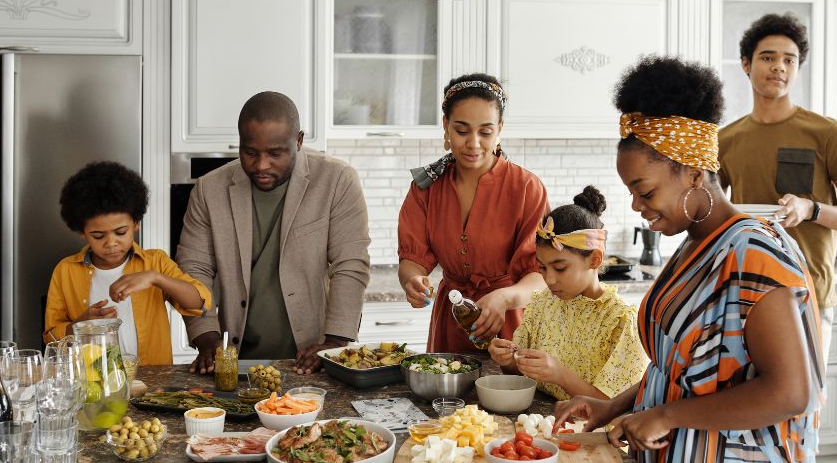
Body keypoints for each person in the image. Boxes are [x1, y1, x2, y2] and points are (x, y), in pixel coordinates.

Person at [555, 56, 825, 463]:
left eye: (644, 190)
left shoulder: (754, 253)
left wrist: (666, 416)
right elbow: (679, 370)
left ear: (695, 174)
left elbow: (791, 393)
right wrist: (612, 406)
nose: (636, 205)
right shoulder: (694, 245)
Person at [178, 91, 370, 375]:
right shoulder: (209, 189)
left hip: (313, 357)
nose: (261, 165)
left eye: (275, 153)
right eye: (250, 152)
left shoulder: (337, 180)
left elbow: (350, 264)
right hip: (238, 360)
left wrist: (335, 343)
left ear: (299, 141)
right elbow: (194, 268)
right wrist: (205, 335)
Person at [719, 13, 837, 359]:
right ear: (746, 65)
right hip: (746, 292)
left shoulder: (826, 132)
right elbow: (712, 212)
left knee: (803, 407)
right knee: (747, 409)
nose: (779, 67)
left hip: (807, 293)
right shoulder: (726, 139)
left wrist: (811, 208)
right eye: (767, 57)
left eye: (789, 59)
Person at [398, 73, 549, 353]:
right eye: (462, 130)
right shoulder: (425, 189)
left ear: (500, 129)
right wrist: (412, 281)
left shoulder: (527, 188)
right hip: (450, 322)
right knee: (447, 396)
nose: (474, 143)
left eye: (486, 132)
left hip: (511, 324)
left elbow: (541, 275)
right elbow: (412, 259)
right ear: (446, 127)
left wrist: (504, 298)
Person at [488, 186, 648, 401]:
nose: (549, 279)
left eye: (560, 268)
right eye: (542, 268)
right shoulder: (542, 304)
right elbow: (521, 376)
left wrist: (560, 375)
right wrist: (508, 361)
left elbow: (613, 406)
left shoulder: (620, 322)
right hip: (541, 425)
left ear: (594, 260)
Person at [43, 161, 211, 366]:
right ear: (82, 232)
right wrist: (82, 325)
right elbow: (51, 338)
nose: (111, 243)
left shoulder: (155, 262)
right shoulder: (65, 271)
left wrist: (155, 278)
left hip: (151, 381)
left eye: (121, 232)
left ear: (136, 223)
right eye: (98, 235)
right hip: (90, 382)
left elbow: (199, 303)